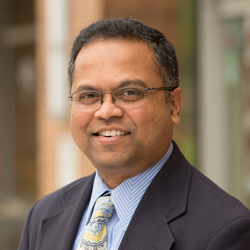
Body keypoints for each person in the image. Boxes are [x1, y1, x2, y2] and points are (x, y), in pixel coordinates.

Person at [18, 18, 250, 250]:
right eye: (88, 96)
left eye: (130, 92)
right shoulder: (43, 217)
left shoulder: (226, 231)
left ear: (174, 106)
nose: (106, 111)